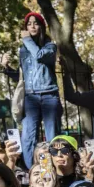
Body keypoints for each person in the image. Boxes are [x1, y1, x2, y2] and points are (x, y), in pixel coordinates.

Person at [18, 11, 60, 171]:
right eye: (29, 24)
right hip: (30, 98)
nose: (32, 26)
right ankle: (30, 172)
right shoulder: (23, 50)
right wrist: (7, 68)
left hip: (49, 95)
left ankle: (55, 171)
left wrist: (27, 40)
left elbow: (40, 56)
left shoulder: (50, 46)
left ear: (41, 27)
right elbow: (21, 76)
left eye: (35, 23)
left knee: (53, 137)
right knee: (28, 137)